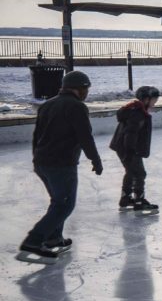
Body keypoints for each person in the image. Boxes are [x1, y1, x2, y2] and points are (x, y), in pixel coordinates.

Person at [17, 71, 103, 264]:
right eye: (86, 89)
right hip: (61, 163)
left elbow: (36, 135)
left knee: (58, 201)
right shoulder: (77, 106)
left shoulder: (47, 105)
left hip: (42, 162)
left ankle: (54, 237)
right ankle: (33, 241)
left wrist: (36, 157)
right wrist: (95, 160)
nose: (87, 93)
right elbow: (85, 136)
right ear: (79, 89)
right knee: (64, 204)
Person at [110, 86, 160, 213]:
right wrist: (130, 151)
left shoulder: (135, 109)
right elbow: (130, 133)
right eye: (154, 100)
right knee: (139, 173)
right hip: (129, 148)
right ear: (146, 99)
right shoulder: (138, 114)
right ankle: (139, 200)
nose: (155, 103)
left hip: (123, 146)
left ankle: (125, 198)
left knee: (131, 172)